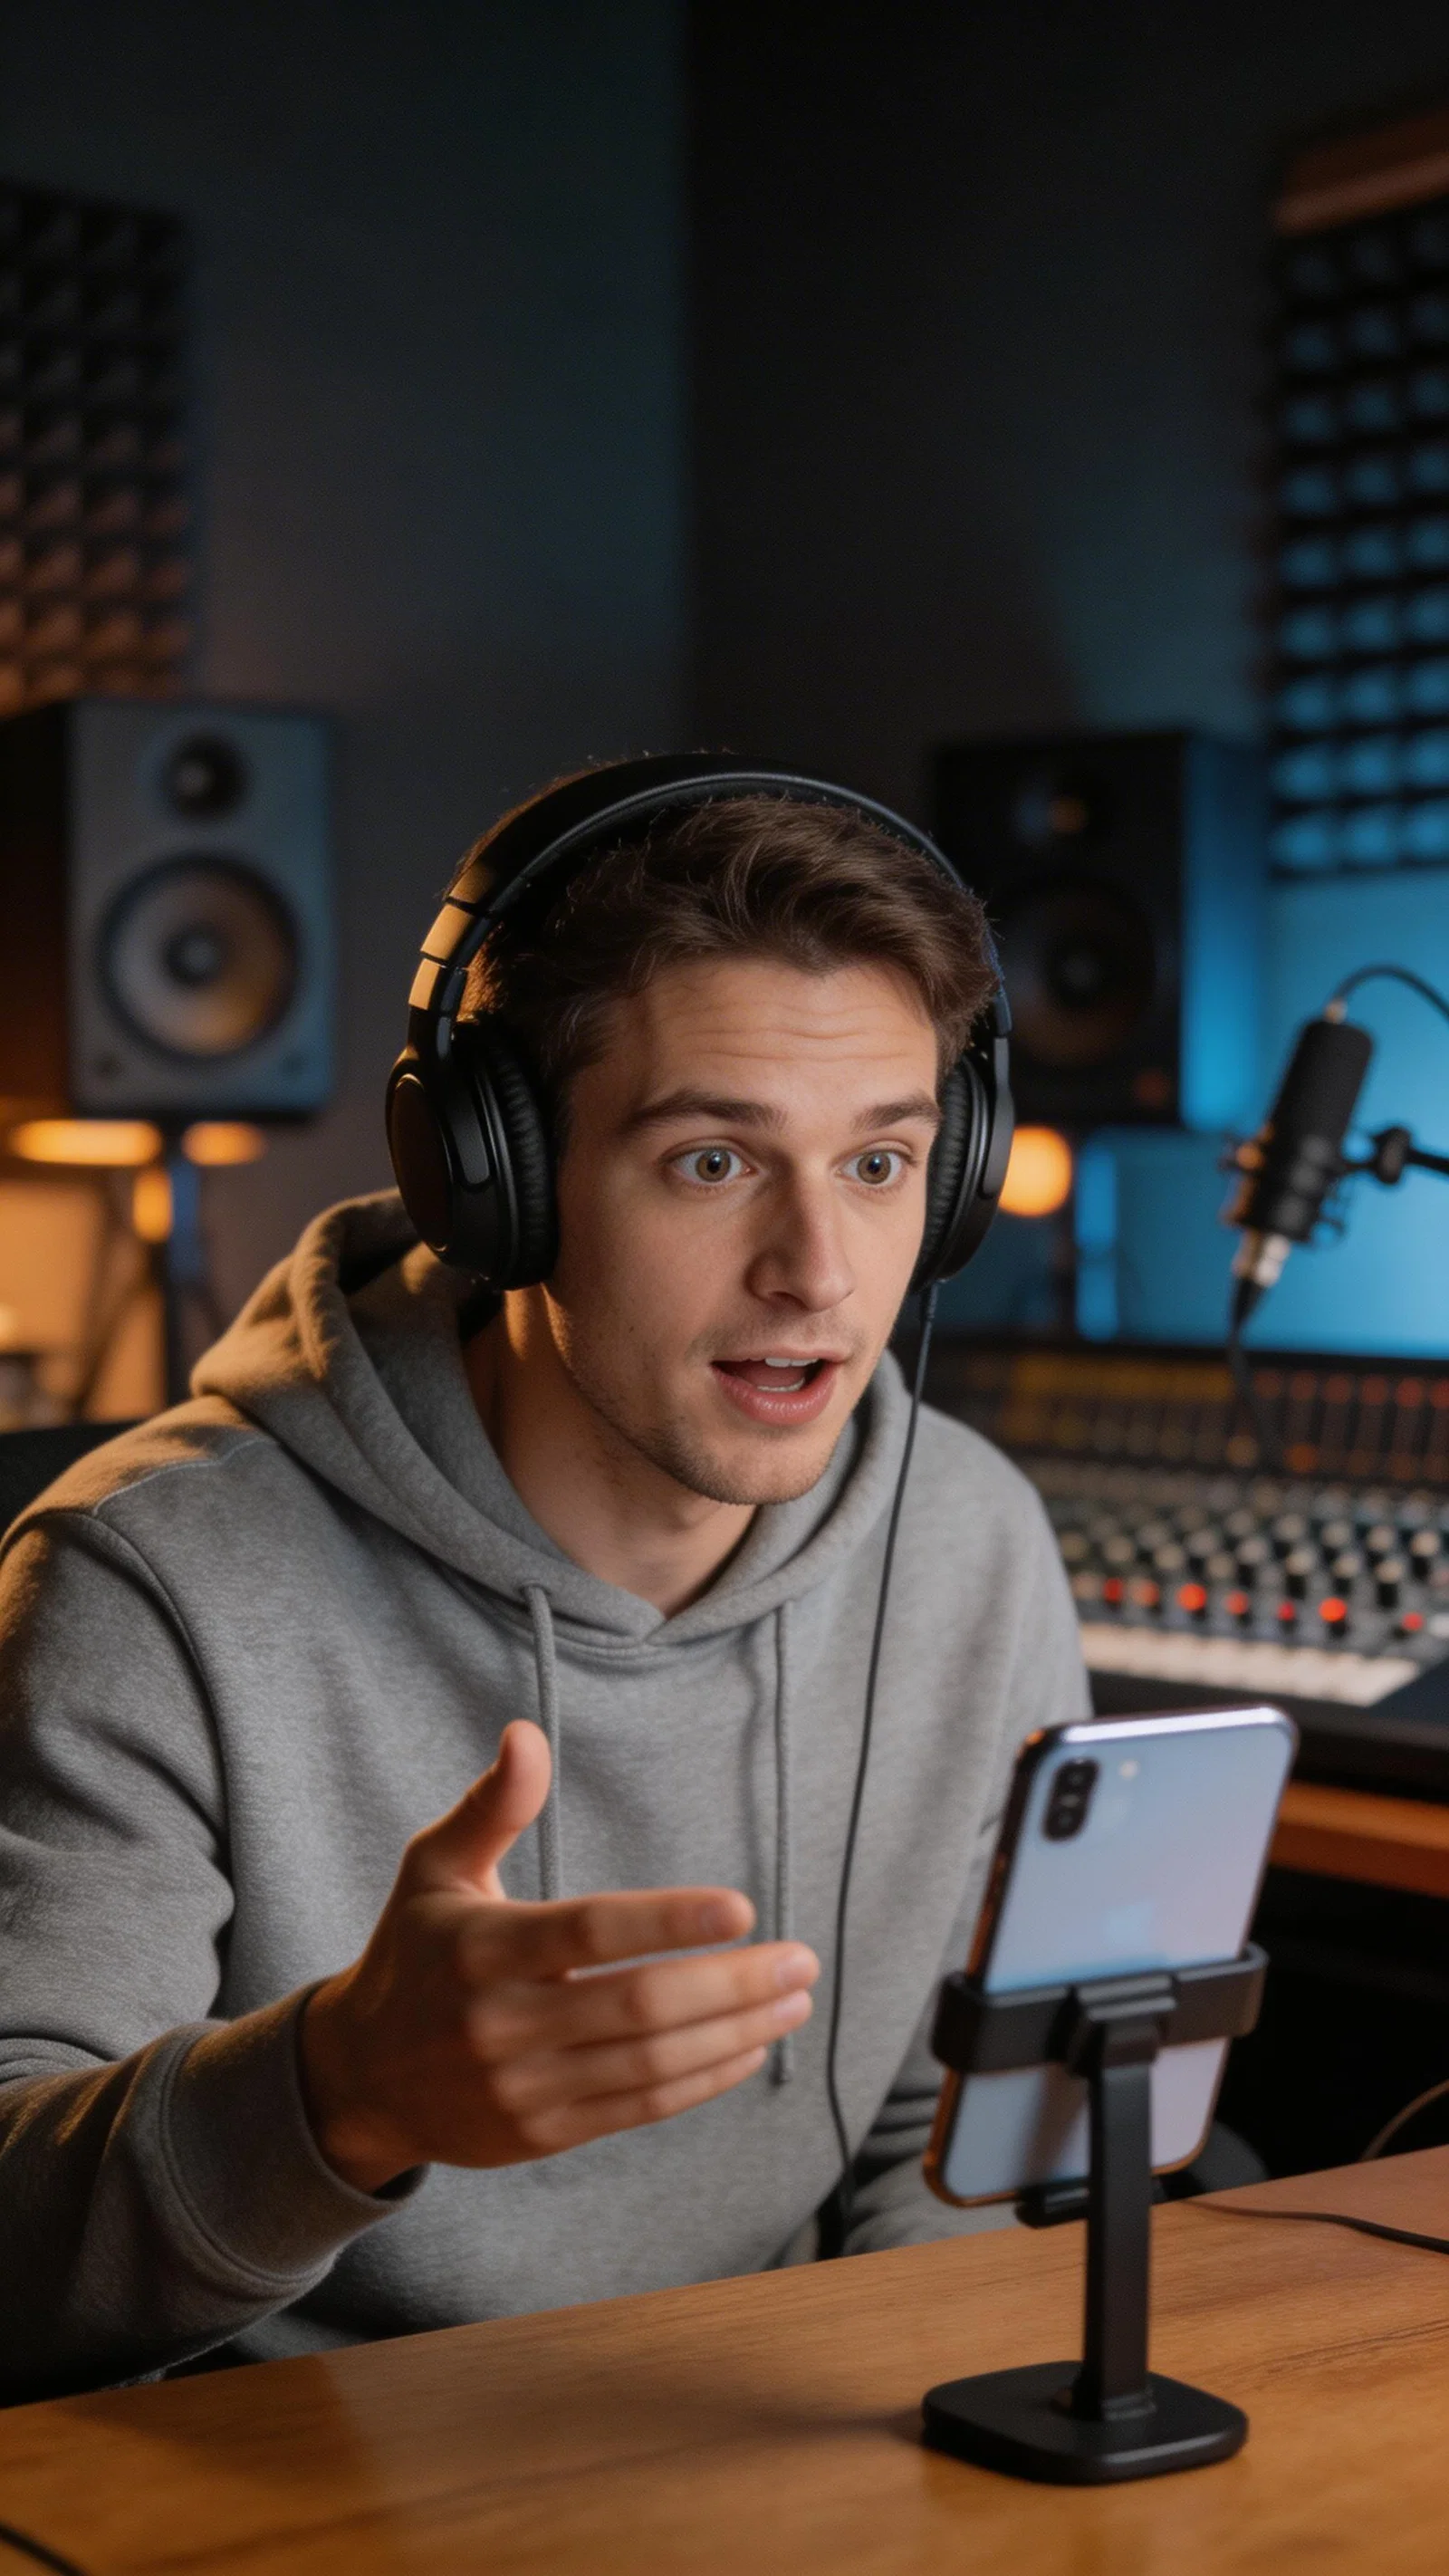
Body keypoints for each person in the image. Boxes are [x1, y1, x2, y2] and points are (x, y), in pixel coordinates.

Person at [0, 767, 1086, 2403]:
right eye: (714, 1161)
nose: (818, 1271)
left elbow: (959, 2141)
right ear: (490, 1181)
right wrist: (332, 2095)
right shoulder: (147, 1582)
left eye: (880, 1165)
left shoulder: (970, 1542)